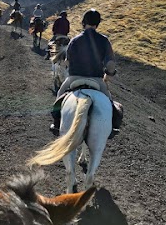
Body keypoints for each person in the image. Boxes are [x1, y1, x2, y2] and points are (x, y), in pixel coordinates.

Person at [50, 9, 122, 137]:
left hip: (74, 78)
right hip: (97, 80)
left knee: (59, 96)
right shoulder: (104, 40)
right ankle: (112, 127)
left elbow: (67, 62)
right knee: (110, 103)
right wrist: (108, 75)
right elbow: (110, 64)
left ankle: (56, 124)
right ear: (97, 23)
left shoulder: (75, 40)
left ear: (83, 22)